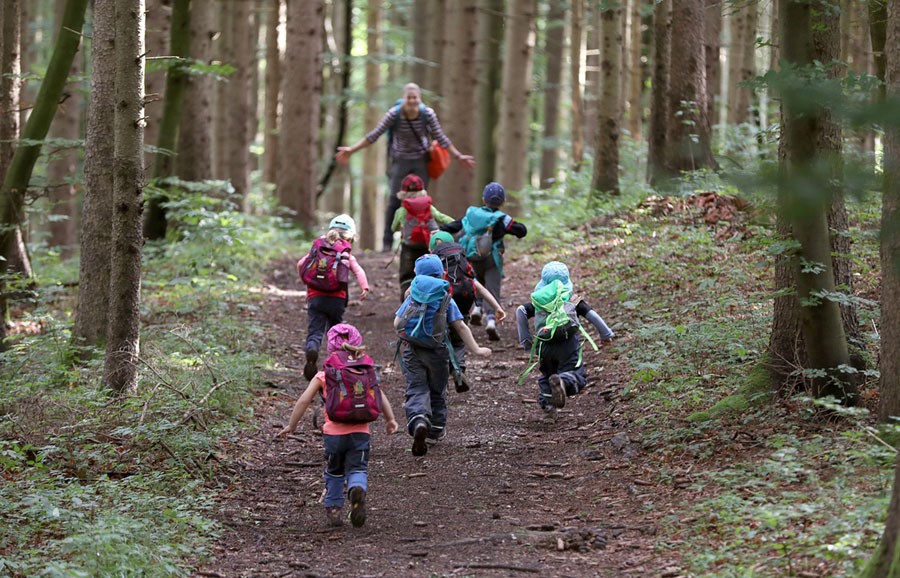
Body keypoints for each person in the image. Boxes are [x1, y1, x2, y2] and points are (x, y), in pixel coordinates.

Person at [278, 324, 399, 528]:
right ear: (357, 344)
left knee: (334, 471)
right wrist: (391, 419)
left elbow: (304, 401)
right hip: (360, 432)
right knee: (358, 468)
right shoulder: (365, 370)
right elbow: (381, 396)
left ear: (330, 347)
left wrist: (292, 426)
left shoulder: (325, 374)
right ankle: (356, 489)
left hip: (333, 435)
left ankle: (334, 508)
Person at [334, 83, 476, 251]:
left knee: (422, 202)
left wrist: (458, 156)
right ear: (404, 98)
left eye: (415, 97)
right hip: (400, 160)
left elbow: (441, 137)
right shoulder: (394, 114)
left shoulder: (427, 114)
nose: (412, 101)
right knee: (394, 200)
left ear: (419, 98)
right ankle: (387, 243)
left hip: (421, 161)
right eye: (409, 97)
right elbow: (374, 135)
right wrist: (352, 150)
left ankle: (424, 240)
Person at [394, 255, 491, 456]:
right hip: (438, 351)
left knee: (417, 387)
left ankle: (419, 419)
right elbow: (460, 326)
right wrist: (476, 349)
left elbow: (397, 323)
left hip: (412, 350)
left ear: (416, 273)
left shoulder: (412, 295)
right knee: (438, 390)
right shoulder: (445, 297)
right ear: (441, 273)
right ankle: (435, 430)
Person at [515, 262, 615, 423]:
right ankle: (563, 381)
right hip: (568, 345)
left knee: (547, 374)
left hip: (545, 345)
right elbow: (592, 316)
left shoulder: (538, 301)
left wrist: (526, 340)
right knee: (575, 373)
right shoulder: (573, 300)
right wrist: (606, 334)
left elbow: (520, 311)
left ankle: (548, 408)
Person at [441, 182, 527, 342]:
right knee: (492, 287)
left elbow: (454, 226)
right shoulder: (502, 218)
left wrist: (440, 230)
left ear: (483, 199)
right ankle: (491, 321)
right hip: (492, 258)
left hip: (471, 257)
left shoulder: (472, 214)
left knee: (477, 283)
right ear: (502, 202)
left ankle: (477, 309)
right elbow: (521, 231)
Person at [428, 231, 507, 392]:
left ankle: (438, 375)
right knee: (458, 342)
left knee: (438, 343)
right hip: (461, 312)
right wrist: (497, 308)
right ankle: (459, 370)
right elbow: (481, 289)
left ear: (431, 251)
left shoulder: (431, 267)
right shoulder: (463, 267)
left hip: (437, 315)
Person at [296, 215, 369, 381]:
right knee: (336, 331)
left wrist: (305, 281)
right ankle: (336, 365)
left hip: (315, 297)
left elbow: (301, 264)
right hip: (337, 300)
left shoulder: (318, 248)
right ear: (351, 236)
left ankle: (312, 348)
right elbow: (358, 271)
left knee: (315, 329)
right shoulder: (345, 252)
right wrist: (364, 287)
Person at [392, 174, 455, 300]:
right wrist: (455, 224)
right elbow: (442, 218)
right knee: (430, 272)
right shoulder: (428, 207)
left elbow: (393, 228)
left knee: (407, 275)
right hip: (428, 246)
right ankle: (429, 299)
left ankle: (407, 303)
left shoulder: (402, 210)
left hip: (409, 247)